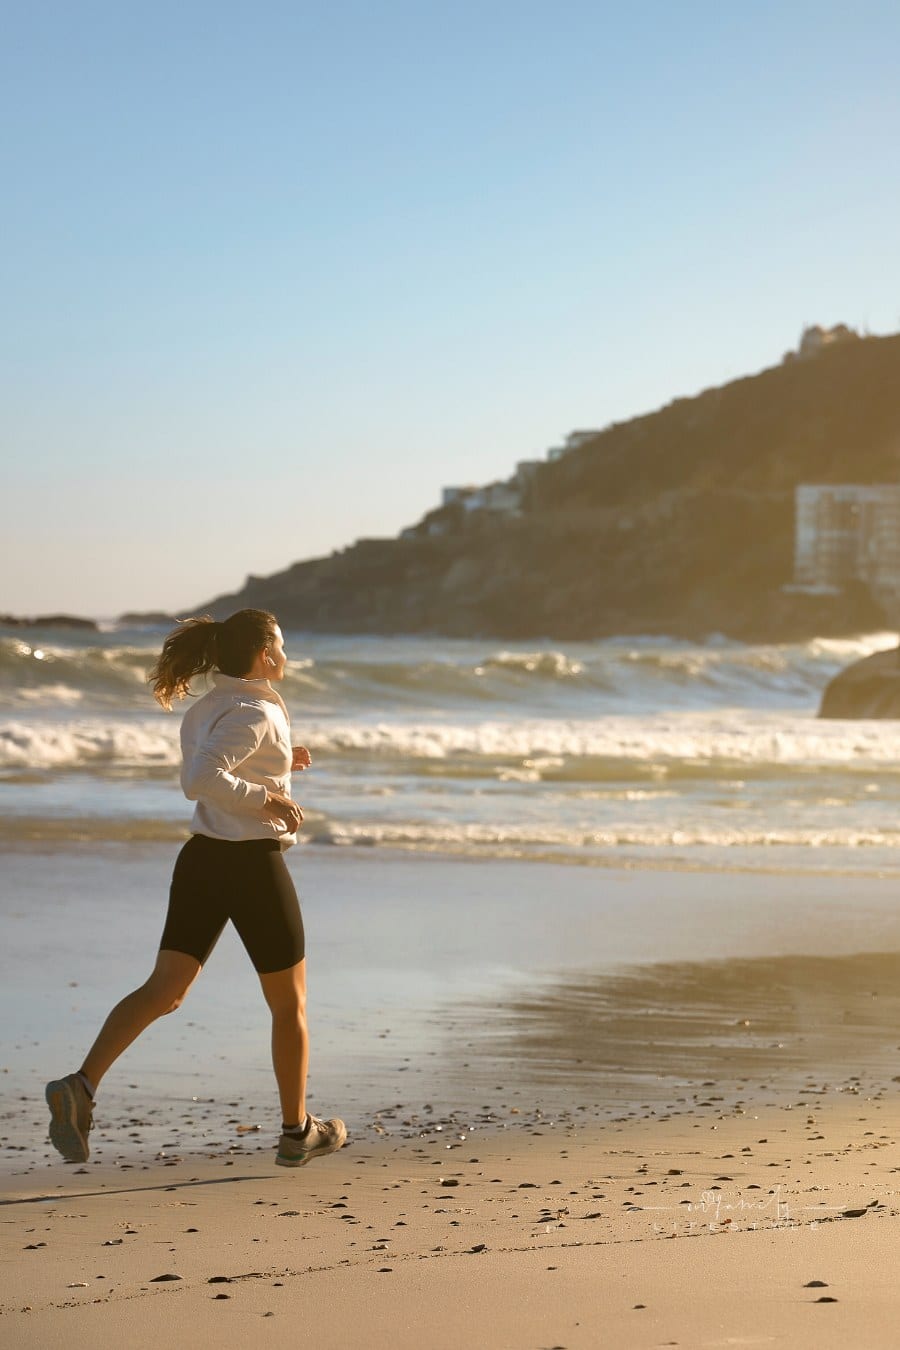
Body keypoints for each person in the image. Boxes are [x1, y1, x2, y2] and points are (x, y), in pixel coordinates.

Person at [45, 609, 346, 1169]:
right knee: (290, 1004)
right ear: (264, 655)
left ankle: (80, 1087)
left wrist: (280, 769)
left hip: (202, 861)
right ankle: (296, 1131)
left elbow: (221, 767)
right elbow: (200, 781)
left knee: (165, 990)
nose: (286, 654)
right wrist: (270, 799)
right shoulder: (255, 710)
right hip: (251, 867)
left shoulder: (210, 706)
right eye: (281, 644)